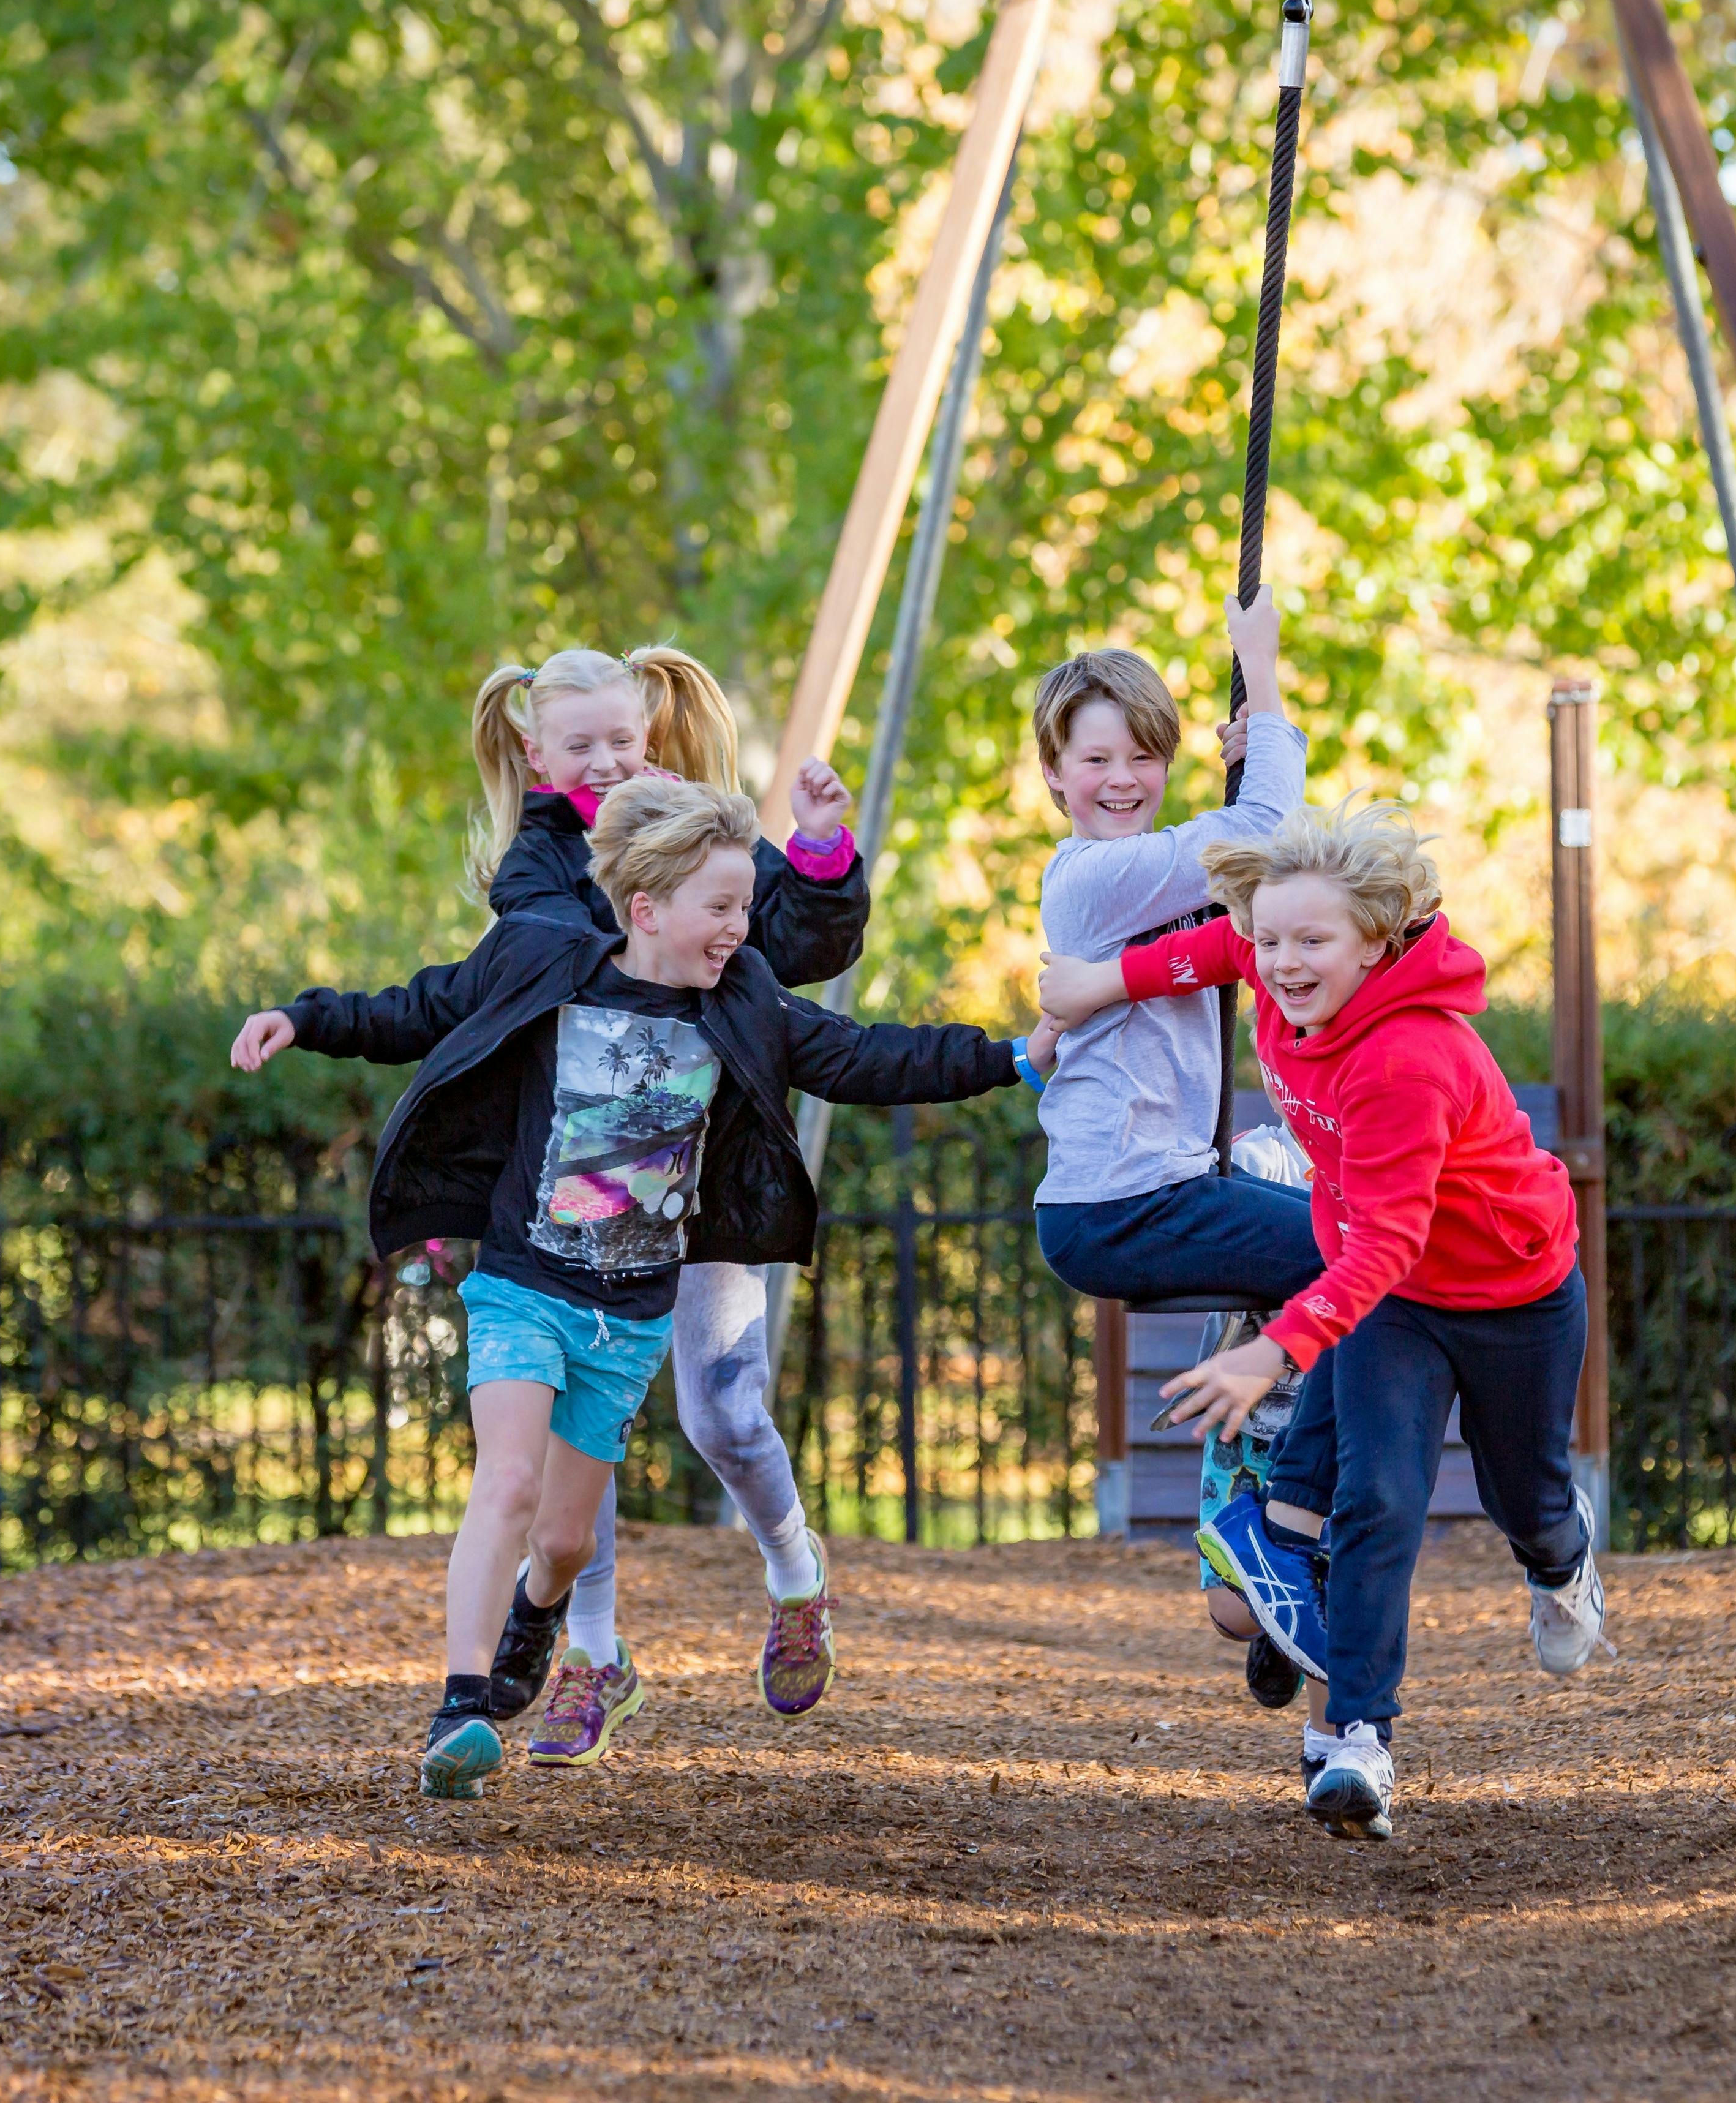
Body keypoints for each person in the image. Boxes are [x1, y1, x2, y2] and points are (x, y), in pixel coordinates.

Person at [232, 780, 1039, 1800]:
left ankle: (539, 1616)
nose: (741, 929)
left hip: (630, 1315)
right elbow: (419, 1008)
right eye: (721, 908)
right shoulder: (543, 966)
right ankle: (460, 1706)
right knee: (510, 1482)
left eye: (746, 907)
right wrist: (302, 1020)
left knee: (566, 1542)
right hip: (524, 1282)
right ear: (647, 908)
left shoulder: (740, 999)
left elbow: (863, 1055)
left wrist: (1009, 1056)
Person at [1038, 796, 1610, 1842]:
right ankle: (1355, 1740)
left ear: (1377, 942)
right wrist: (1099, 983)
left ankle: (1563, 1562)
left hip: (1510, 1289)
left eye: (1313, 941)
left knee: (1519, 1496)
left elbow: (1388, 1241)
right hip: (1396, 1303)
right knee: (1380, 1498)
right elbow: (1214, 945)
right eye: (1273, 939)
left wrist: (1270, 1349)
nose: (1284, 961)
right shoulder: (1272, 965)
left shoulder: (1406, 1059)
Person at [465, 644, 864, 1745]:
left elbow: (796, 943)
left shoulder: (703, 832)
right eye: (579, 746)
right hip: (591, 1196)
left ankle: (796, 1576)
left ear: (651, 733)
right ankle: (592, 1654)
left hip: (698, 1179)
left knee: (724, 1415)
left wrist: (823, 858)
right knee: (564, 1450)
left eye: (622, 740)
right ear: (536, 752)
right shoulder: (540, 863)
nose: (604, 761)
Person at [1021, 587, 1336, 1710]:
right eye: (1096, 758)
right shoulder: (1096, 876)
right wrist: (1265, 674)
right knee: (1356, 1269)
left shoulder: (1143, 874)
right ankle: (1273, 1515)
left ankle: (1264, 1518)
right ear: (1053, 774)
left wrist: (1256, 753)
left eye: (1145, 756)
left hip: (1152, 1191)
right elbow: (1264, 839)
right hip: (1120, 1206)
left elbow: (1246, 910)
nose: (1122, 779)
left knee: (1323, 1258)